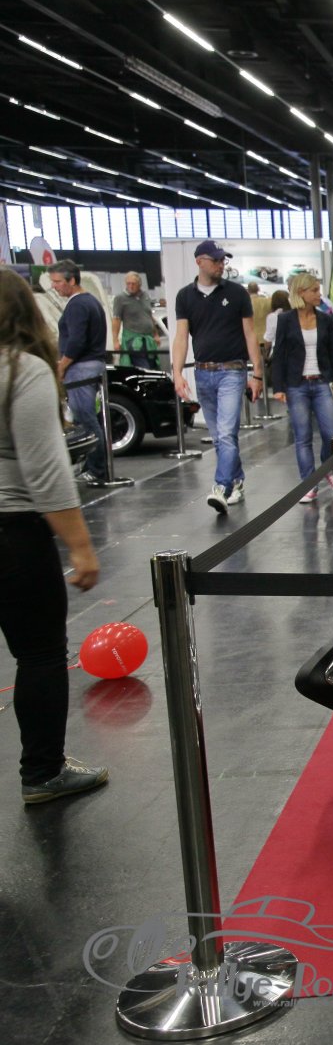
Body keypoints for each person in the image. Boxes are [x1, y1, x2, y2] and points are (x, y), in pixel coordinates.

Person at [0, 269, 107, 803]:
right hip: (12, 531)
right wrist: (81, 546)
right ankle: (43, 772)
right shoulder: (23, 370)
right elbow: (45, 472)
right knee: (40, 654)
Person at [171, 240, 264, 515]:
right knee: (219, 437)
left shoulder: (236, 293)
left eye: (223, 260)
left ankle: (221, 487)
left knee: (225, 433)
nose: (221, 265)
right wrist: (177, 373)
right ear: (199, 261)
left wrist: (257, 374)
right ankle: (236, 481)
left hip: (232, 370)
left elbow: (250, 334)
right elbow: (181, 337)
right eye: (216, 260)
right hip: (203, 372)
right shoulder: (185, 296)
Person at [268, 273, 333, 503]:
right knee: (302, 436)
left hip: (322, 382)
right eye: (314, 290)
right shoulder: (285, 320)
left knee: (330, 432)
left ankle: (327, 469)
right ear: (301, 292)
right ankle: (309, 482)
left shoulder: (326, 320)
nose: (318, 294)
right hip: (297, 385)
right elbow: (279, 355)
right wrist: (278, 386)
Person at [46, 261, 109, 486]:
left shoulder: (78, 305)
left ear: (71, 280)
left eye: (57, 282)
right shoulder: (90, 301)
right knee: (89, 419)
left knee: (87, 420)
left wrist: (62, 366)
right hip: (90, 366)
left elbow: (76, 341)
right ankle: (94, 466)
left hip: (82, 368)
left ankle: (97, 469)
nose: (54, 287)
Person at [110, 272, 162, 370]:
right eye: (128, 283)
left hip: (149, 341)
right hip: (133, 341)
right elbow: (116, 319)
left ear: (139, 284)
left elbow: (149, 316)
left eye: (133, 284)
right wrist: (115, 340)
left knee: (153, 368)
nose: (130, 286)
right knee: (144, 369)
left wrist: (155, 334)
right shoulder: (120, 298)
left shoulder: (145, 296)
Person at [247, 280, 270, 354]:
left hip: (251, 339)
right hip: (265, 338)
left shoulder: (245, 303)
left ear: (248, 290)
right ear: (258, 289)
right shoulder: (267, 301)